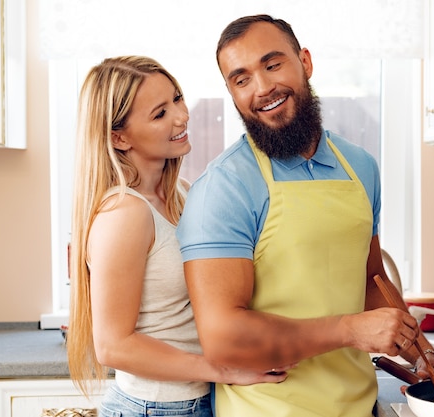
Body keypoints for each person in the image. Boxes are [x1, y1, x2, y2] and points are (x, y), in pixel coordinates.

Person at [176, 15, 434, 417]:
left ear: (305, 61)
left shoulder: (360, 167)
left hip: (358, 405)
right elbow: (223, 338)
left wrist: (414, 346)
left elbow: (371, 279)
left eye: (272, 65)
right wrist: (349, 331)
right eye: (242, 79)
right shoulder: (223, 187)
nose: (263, 88)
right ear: (231, 93)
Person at [67, 55, 288, 417]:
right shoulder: (125, 214)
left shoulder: (182, 193)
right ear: (118, 137)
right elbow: (113, 346)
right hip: (155, 407)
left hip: (192, 400)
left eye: (177, 98)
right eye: (159, 114)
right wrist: (224, 371)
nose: (181, 115)